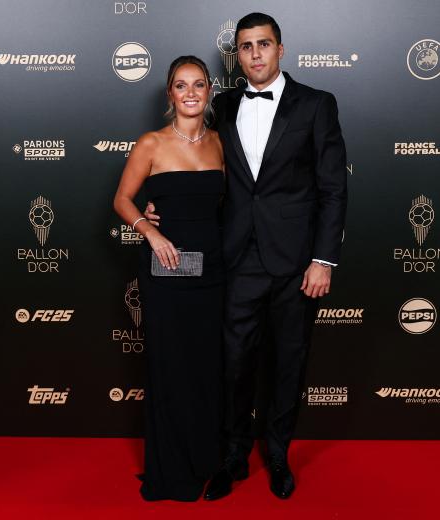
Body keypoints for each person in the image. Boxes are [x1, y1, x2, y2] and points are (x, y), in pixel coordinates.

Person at [146, 13, 347, 500]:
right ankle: (234, 454)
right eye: (245, 47)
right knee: (233, 363)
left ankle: (277, 454)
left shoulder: (317, 105)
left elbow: (334, 188)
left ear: (281, 49)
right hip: (235, 259)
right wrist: (159, 207)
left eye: (263, 44)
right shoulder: (224, 105)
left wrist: (324, 260)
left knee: (288, 363)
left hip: (297, 262)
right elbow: (194, 166)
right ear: (236, 56)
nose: (255, 54)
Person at [112, 56, 224, 501]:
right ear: (169, 94)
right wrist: (150, 229)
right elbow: (122, 199)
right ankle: (171, 468)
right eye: (181, 85)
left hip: (213, 272)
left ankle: (205, 460)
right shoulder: (152, 144)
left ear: (210, 91)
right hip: (167, 271)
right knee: (170, 367)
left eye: (199, 84)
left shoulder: (220, 143)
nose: (191, 92)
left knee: (206, 369)